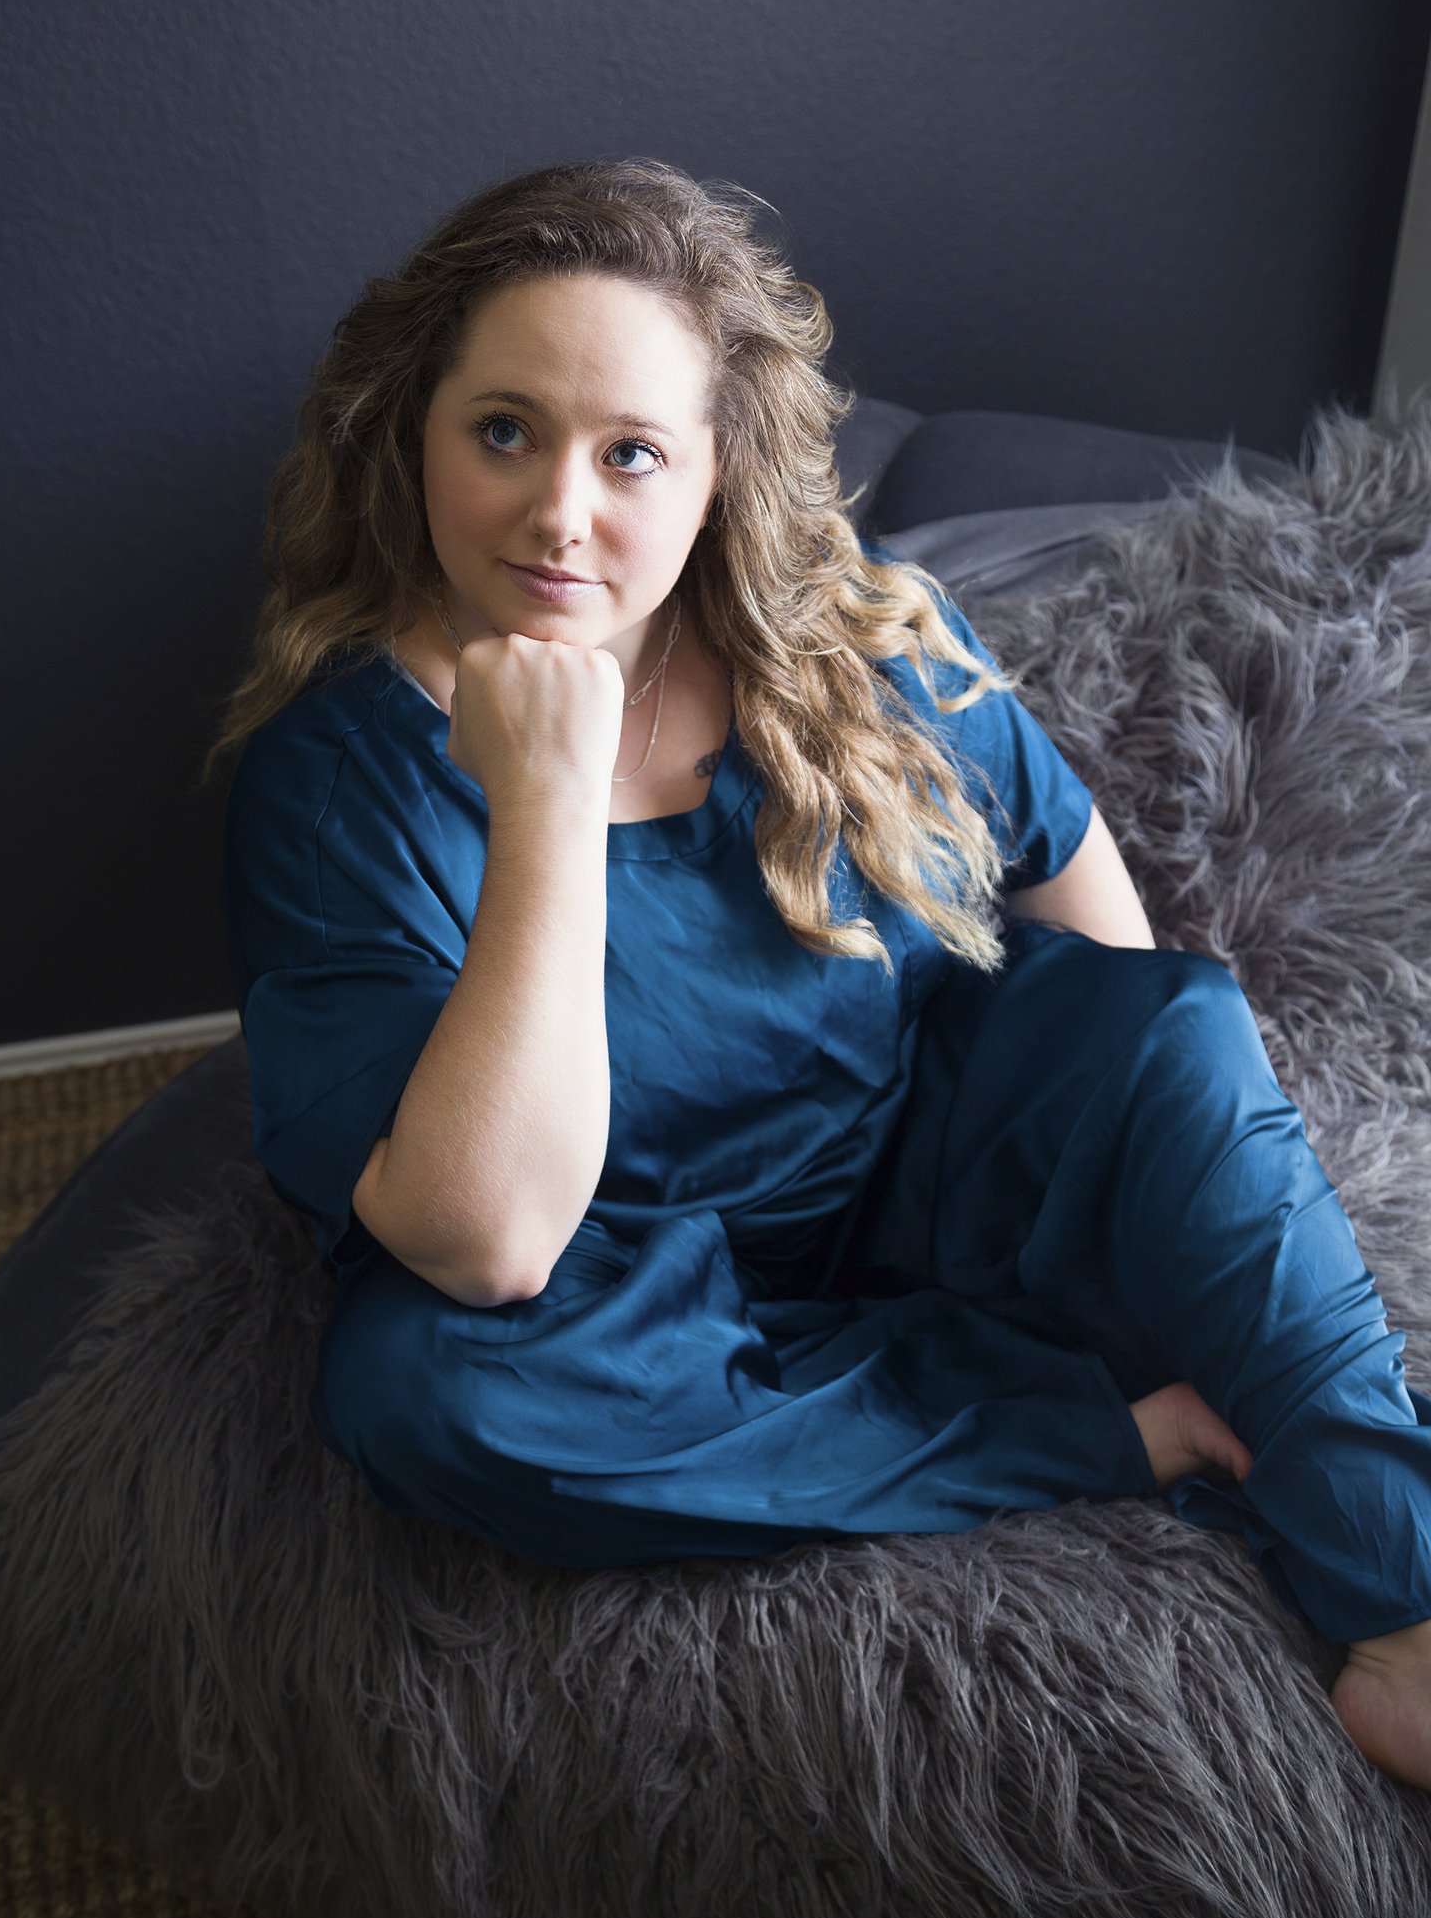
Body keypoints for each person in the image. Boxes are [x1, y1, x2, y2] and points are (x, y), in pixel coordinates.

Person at [205, 157, 1431, 1792]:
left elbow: (1079, 892)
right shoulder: (336, 779)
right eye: (503, 431)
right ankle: (1084, 1431)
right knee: (414, 1393)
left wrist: (1136, 1162)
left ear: (716, 468)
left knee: (1179, 1030)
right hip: (616, 1292)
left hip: (927, 1178)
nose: (560, 511)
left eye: (630, 452)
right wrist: (548, 798)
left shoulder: (847, 643)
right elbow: (486, 1242)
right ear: (414, 434)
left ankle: (1408, 1608)